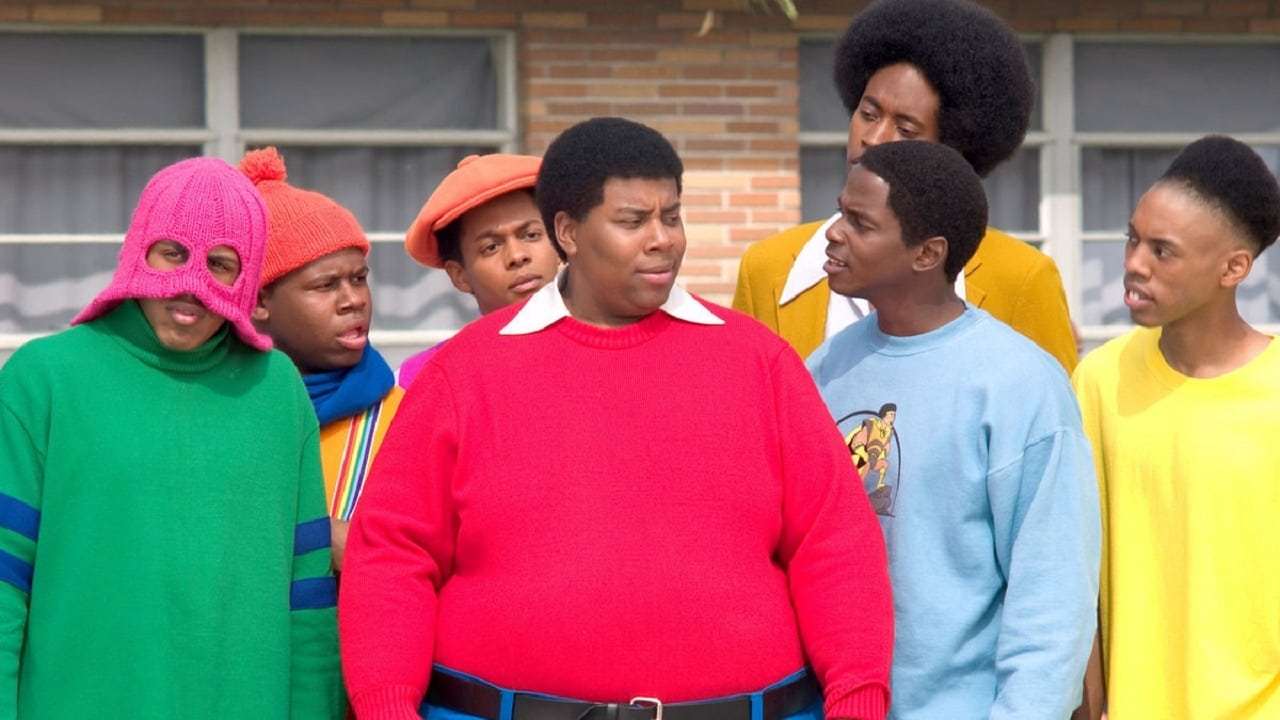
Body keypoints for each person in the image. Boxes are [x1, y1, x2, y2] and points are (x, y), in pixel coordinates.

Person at [339, 118, 894, 720]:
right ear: (568, 232)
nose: (663, 240)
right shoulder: (463, 373)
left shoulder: (760, 361)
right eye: (633, 221)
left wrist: (858, 698)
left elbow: (835, 543)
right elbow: (392, 554)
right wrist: (386, 707)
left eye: (672, 216)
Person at [0, 157, 343, 718]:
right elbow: (3, 577)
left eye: (221, 264)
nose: (191, 285)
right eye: (173, 253)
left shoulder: (277, 390)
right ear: (138, 251)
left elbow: (307, 592)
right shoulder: (43, 379)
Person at [807, 140, 1099, 718]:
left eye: (860, 223)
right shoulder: (826, 367)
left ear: (927, 253)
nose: (833, 234)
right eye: (840, 213)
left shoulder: (1019, 384)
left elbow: (1053, 591)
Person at [733, 0, 1077, 372]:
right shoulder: (768, 269)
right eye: (868, 114)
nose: (873, 138)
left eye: (906, 128)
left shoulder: (1021, 279)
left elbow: (1050, 403)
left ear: (951, 149)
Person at [1072, 136, 1280, 719]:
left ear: (1233, 268)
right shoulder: (1100, 380)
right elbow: (1076, 566)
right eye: (1133, 239)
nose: (1134, 263)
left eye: (1163, 251)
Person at [242, 146, 405, 570]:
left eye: (359, 278)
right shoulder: (222, 412)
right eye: (326, 285)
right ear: (260, 302)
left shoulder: (405, 417)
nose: (354, 300)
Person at [398, 153, 561, 388]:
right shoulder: (425, 380)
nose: (517, 256)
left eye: (531, 235)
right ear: (459, 276)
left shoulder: (612, 345)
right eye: (491, 247)